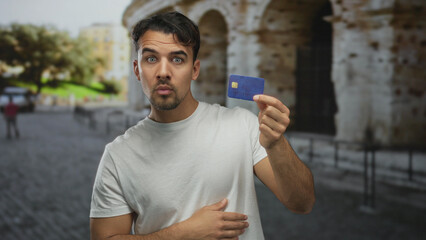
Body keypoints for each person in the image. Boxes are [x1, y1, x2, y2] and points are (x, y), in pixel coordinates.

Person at [90, 11, 315, 240]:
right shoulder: (118, 155)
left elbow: (302, 202)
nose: (164, 72)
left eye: (177, 59)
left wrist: (276, 143)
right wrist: (185, 233)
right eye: (151, 59)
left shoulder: (242, 125)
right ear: (137, 70)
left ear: (194, 69)